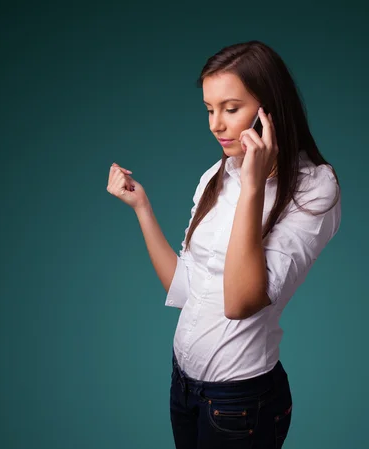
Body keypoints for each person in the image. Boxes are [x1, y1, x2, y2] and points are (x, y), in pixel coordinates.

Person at [106, 40, 341, 449]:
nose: (216, 124)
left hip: (238, 401)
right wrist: (142, 208)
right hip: (183, 383)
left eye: (231, 109)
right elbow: (183, 289)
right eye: (209, 109)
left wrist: (253, 186)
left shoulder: (314, 188)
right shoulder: (217, 173)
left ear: (270, 108)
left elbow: (239, 302)